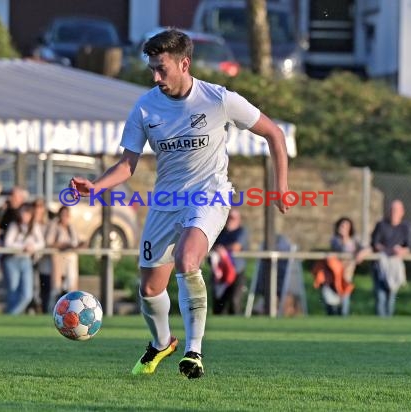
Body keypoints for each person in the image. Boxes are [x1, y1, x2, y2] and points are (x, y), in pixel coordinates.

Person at [71, 29, 289, 379]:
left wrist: (280, 186)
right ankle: (162, 343)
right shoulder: (145, 107)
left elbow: (274, 134)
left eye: (162, 69)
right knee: (150, 288)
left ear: (184, 63)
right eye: (152, 70)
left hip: (209, 194)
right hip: (166, 201)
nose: (156, 78)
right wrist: (95, 186)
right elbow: (128, 164)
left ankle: (194, 351)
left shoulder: (219, 99)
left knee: (188, 259)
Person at [3, 203, 45, 315]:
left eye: (27, 214)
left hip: (26, 260)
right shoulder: (14, 225)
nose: (24, 216)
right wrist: (23, 247)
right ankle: (11, 319)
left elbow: (41, 243)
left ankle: (11, 315)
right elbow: (8, 243)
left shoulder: (34, 226)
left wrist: (32, 247)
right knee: (13, 292)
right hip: (12, 260)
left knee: (27, 294)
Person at [370, 200, 410, 317]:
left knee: (391, 297)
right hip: (381, 266)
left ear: (402, 212)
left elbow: (407, 247)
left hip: (395, 266)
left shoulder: (405, 227)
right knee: (380, 296)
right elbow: (375, 244)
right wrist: (388, 250)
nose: (394, 213)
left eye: (397, 210)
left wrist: (401, 251)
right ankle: (380, 323)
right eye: (392, 210)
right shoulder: (381, 225)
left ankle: (389, 322)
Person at [39, 206, 80, 314]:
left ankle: (72, 312)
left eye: (67, 215)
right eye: (63, 215)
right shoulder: (55, 226)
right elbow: (49, 242)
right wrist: (62, 245)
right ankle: (51, 311)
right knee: (56, 288)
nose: (65, 217)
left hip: (70, 261)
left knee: (70, 287)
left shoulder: (71, 228)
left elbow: (76, 242)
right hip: (57, 261)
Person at [210, 208, 248, 315]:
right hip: (220, 273)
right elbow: (211, 246)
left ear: (238, 220)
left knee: (234, 301)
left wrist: (223, 250)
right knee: (218, 302)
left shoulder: (241, 231)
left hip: (236, 272)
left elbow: (236, 246)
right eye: (228, 218)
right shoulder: (220, 232)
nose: (230, 220)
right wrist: (217, 249)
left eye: (233, 218)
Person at [329, 217, 368, 316]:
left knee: (345, 300)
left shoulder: (354, 239)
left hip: (347, 274)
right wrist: (344, 237)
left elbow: (367, 248)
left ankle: (343, 318)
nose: (344, 228)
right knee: (334, 301)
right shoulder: (335, 240)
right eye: (342, 226)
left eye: (346, 227)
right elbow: (340, 248)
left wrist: (361, 254)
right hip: (335, 274)